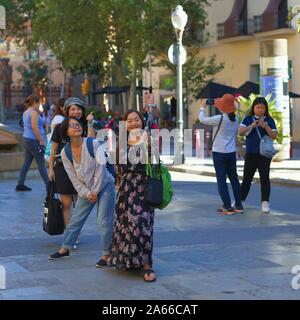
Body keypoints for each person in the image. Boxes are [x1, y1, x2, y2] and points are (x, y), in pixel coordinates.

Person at [48, 117, 115, 266]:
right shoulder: (65, 152)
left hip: (105, 186)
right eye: (72, 126)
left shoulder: (94, 144)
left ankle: (106, 255)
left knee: (103, 221)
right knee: (76, 219)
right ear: (66, 132)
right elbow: (74, 178)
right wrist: (87, 193)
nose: (76, 126)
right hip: (86, 190)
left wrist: (95, 191)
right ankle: (65, 248)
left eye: (77, 124)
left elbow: (101, 170)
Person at [108, 110, 158, 282]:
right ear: (125, 125)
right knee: (127, 226)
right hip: (126, 190)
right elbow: (118, 169)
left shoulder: (148, 139)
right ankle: (129, 260)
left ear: (142, 122)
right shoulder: (121, 142)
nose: (134, 123)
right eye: (130, 121)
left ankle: (147, 265)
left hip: (145, 189)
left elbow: (156, 163)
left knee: (143, 223)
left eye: (136, 119)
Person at [48, 97, 94, 228]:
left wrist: (90, 124)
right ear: (67, 111)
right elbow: (53, 150)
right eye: (73, 109)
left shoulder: (84, 126)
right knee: (66, 203)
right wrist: (50, 169)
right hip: (62, 169)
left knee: (79, 204)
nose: (76, 111)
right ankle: (70, 233)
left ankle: (74, 232)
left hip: (80, 168)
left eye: (79, 108)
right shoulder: (59, 127)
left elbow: (91, 142)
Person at [199, 94, 243, 215]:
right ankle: (238, 204)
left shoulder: (220, 118)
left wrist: (202, 107)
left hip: (219, 153)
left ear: (223, 107)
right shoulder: (235, 119)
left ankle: (227, 206)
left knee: (221, 180)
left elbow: (202, 120)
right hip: (231, 153)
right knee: (234, 178)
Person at [239, 97, 277, 213]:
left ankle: (265, 203)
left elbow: (274, 136)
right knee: (247, 178)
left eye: (262, 108)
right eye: (258, 107)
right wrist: (252, 125)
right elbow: (240, 132)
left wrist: (265, 126)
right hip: (251, 153)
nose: (260, 110)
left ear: (266, 109)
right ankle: (239, 201)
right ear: (253, 108)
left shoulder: (269, 120)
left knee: (265, 178)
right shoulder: (247, 118)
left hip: (264, 154)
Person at [16, 95, 48, 192]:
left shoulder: (26, 112)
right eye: (39, 103)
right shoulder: (33, 113)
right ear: (35, 102)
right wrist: (40, 140)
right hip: (34, 141)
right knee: (41, 164)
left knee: (26, 163)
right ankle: (49, 186)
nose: (39, 105)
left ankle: (20, 184)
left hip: (27, 139)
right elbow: (34, 127)